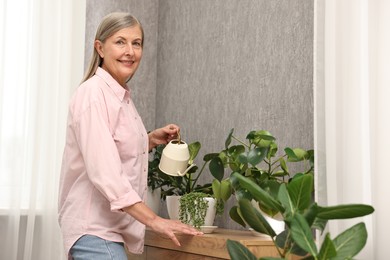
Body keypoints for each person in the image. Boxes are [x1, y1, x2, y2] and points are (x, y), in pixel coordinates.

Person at [58, 12, 202, 260]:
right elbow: (105, 172)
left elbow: (111, 147)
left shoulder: (120, 97)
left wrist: (150, 140)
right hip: (94, 229)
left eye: (136, 43)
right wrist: (156, 221)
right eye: (120, 42)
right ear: (100, 48)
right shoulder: (93, 94)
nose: (130, 51)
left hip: (106, 232)